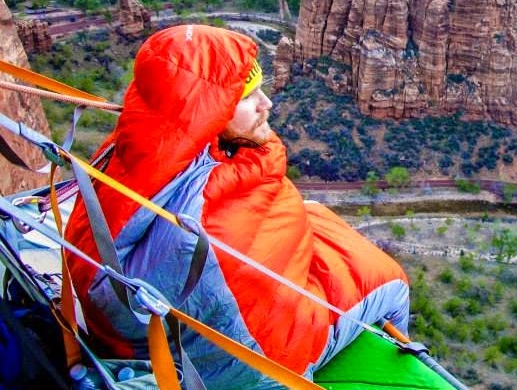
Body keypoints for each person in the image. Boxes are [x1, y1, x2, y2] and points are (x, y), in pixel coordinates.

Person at [64, 25, 409, 388]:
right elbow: (266, 324)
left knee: (316, 216)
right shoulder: (210, 218)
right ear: (211, 114)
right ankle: (397, 364)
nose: (267, 105)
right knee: (391, 280)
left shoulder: (131, 151)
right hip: (263, 365)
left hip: (134, 333)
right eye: (248, 98)